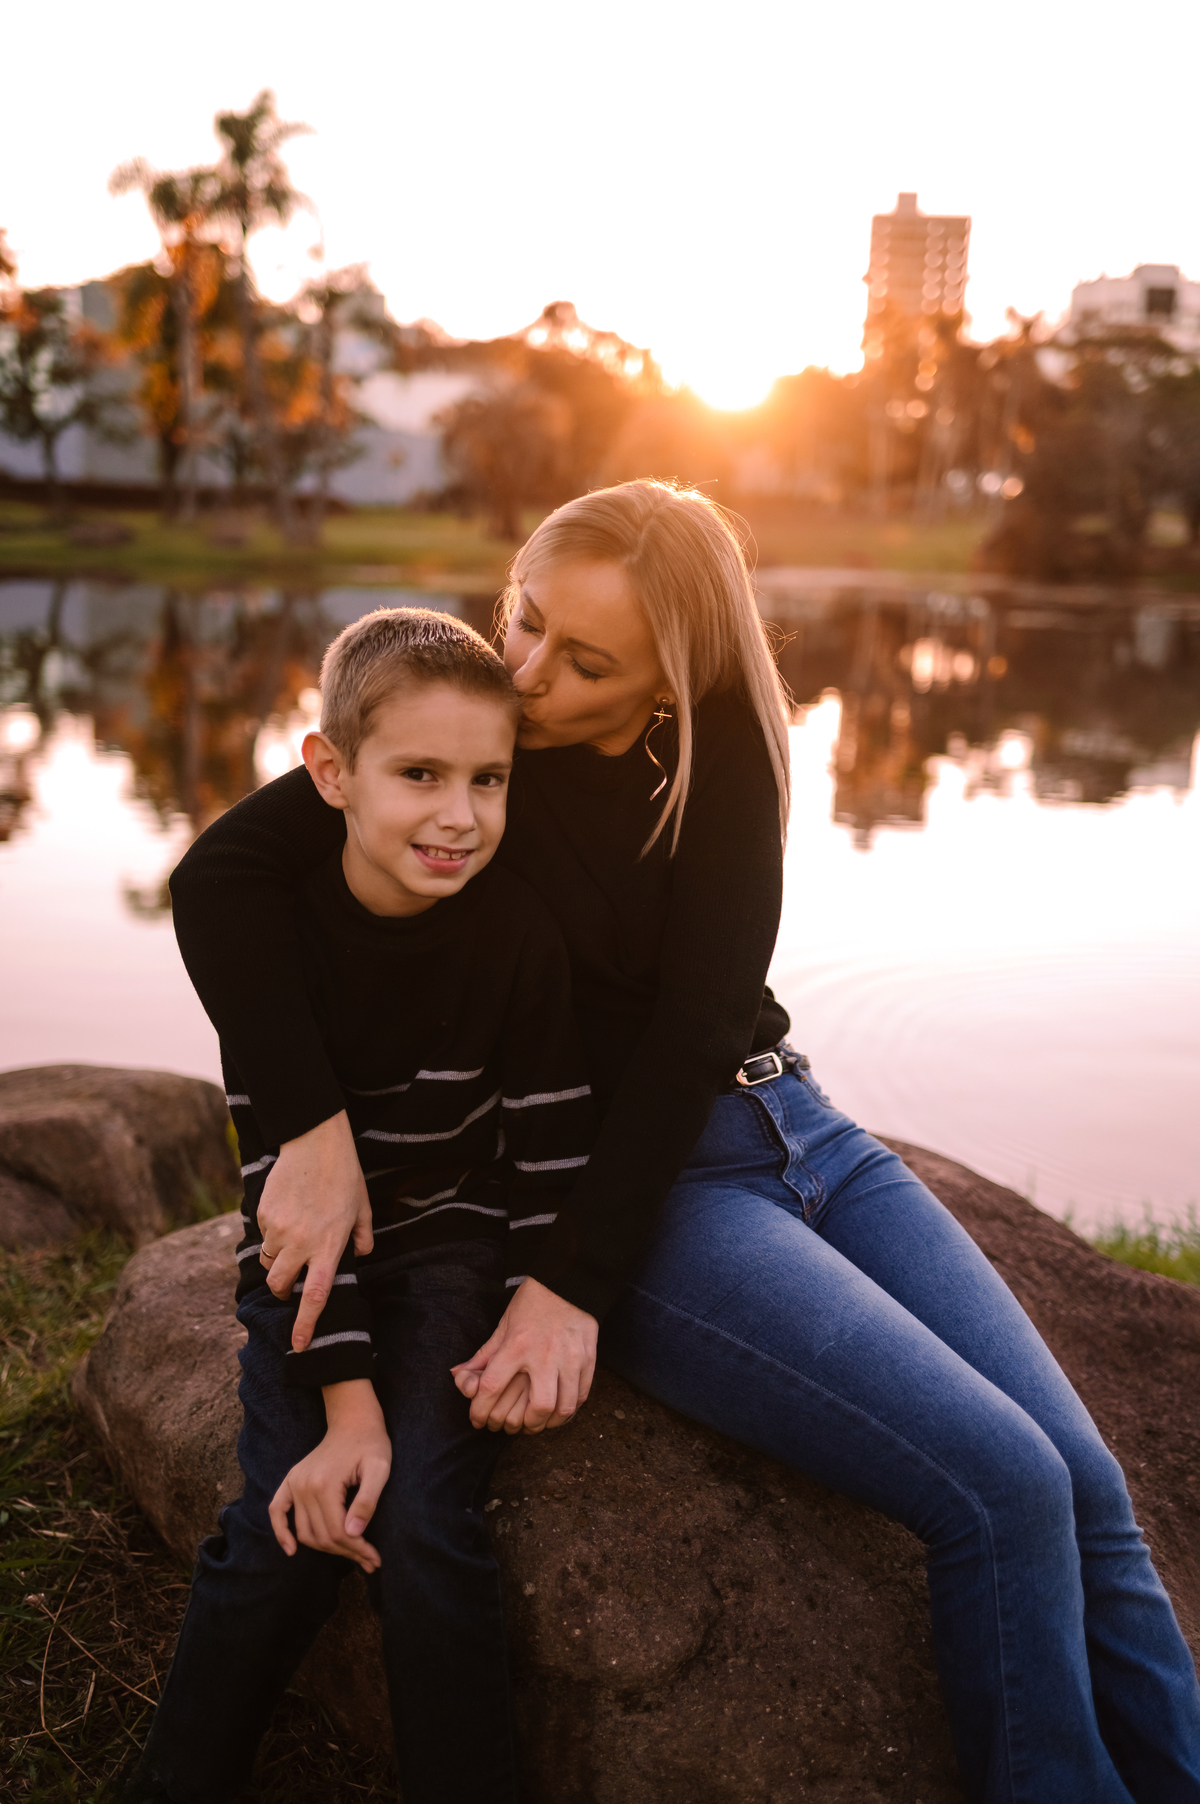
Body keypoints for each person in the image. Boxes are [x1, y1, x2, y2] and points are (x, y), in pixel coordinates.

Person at [169, 482, 1200, 1804]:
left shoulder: (721, 746)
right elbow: (223, 880)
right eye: (524, 619)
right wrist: (341, 1147)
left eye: (583, 660)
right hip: (665, 1190)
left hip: (808, 1129)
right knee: (997, 1485)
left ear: (675, 676)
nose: (529, 672)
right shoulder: (474, 751)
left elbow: (701, 1016)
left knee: (1086, 1487)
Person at [124, 609, 593, 1804]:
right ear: (329, 771)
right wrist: (344, 1406)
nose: (460, 814)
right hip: (303, 1264)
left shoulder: (522, 934)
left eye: (489, 779)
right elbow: (283, 1203)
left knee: (427, 1526)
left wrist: (543, 1292)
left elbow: (545, 1147)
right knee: (286, 1532)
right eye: (420, 775)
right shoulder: (272, 951)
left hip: (451, 1252)